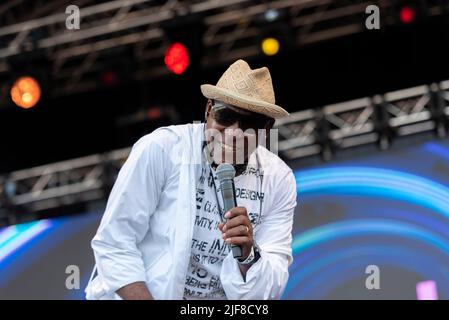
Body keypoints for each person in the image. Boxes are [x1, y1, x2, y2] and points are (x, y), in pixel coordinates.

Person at [85, 59, 297, 300]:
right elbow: (114, 244)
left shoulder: (278, 179)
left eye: (251, 124)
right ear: (208, 110)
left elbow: (269, 291)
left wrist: (249, 255)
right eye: (225, 116)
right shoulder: (162, 149)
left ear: (267, 129)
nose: (234, 132)